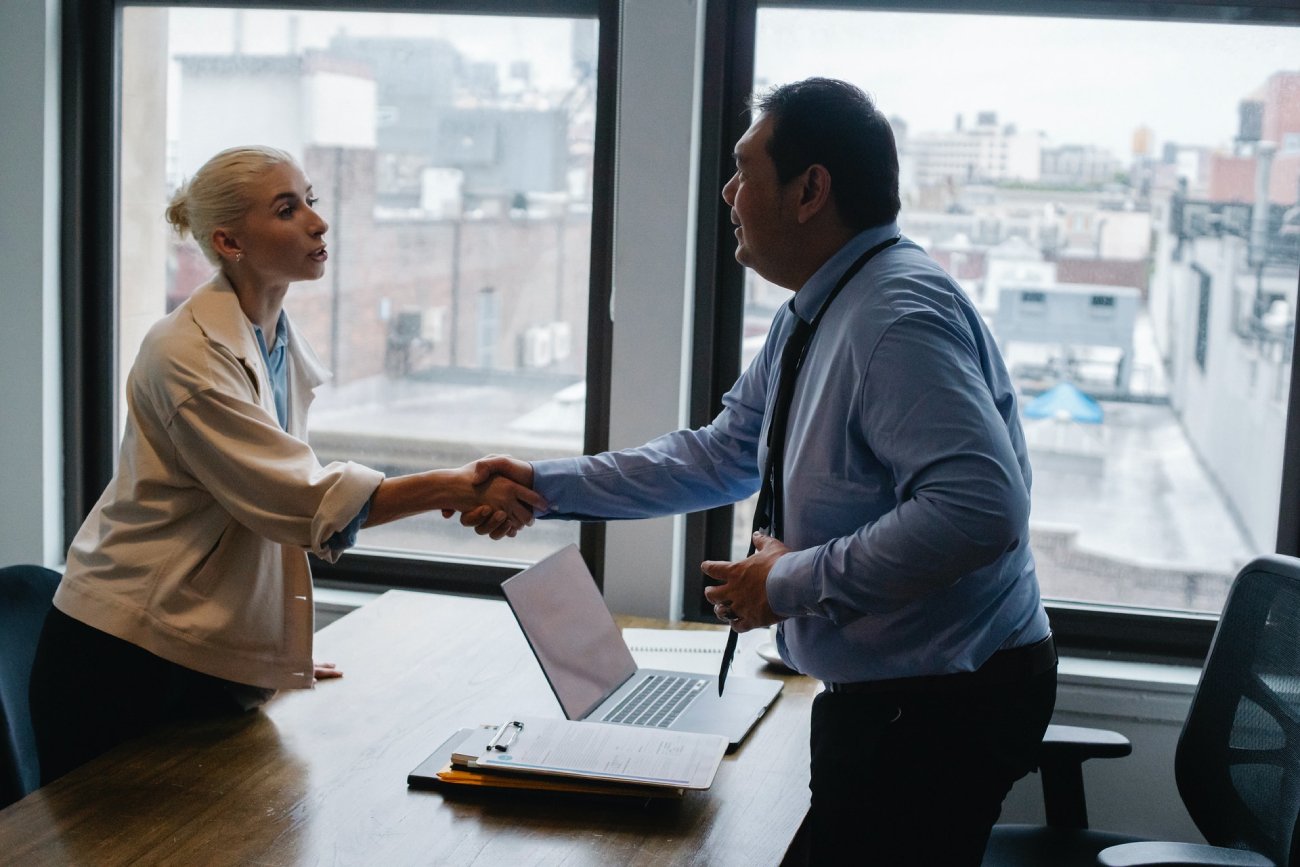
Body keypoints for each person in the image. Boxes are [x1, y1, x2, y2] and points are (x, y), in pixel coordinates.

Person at [472, 79, 1056, 865]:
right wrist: (545, 485)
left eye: (745, 168)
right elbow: (722, 453)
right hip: (897, 696)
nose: (727, 191)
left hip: (940, 703)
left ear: (810, 189)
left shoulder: (896, 315)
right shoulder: (822, 305)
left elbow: (981, 509)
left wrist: (784, 583)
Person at [28, 145, 545, 785]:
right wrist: (455, 486)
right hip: (127, 651)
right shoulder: (186, 354)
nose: (317, 223)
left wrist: (274, 648)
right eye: (287, 208)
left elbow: (266, 507)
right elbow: (296, 499)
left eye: (311, 201)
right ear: (229, 240)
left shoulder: (269, 336)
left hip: (194, 642)